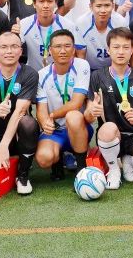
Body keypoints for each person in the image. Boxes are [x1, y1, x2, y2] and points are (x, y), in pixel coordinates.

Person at [85, 27, 133, 189]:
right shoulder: (97, 76)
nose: (121, 52)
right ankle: (113, 169)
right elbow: (88, 115)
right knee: (108, 128)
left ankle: (129, 161)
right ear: (108, 50)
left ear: (132, 50)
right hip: (111, 136)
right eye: (116, 47)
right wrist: (92, 111)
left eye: (126, 47)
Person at [0, 31, 40, 195]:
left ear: (21, 51)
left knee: (28, 122)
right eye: (4, 47)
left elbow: (20, 111)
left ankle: (23, 175)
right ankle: (7, 169)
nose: (9, 51)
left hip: (20, 134)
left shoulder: (30, 73)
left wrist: (4, 145)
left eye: (14, 46)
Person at [35, 30, 92, 180]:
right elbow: (41, 109)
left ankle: (81, 170)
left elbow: (77, 103)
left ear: (73, 49)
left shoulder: (82, 65)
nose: (63, 51)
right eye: (58, 46)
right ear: (50, 50)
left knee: (73, 116)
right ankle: (58, 161)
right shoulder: (41, 75)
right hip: (56, 131)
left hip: (78, 127)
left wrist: (52, 116)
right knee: (43, 159)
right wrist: (45, 122)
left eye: (67, 46)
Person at [15, 0, 70, 71]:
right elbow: (14, 50)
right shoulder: (23, 24)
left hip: (60, 74)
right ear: (34, 3)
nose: (45, 6)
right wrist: (15, 35)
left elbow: (78, 53)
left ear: (56, 3)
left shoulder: (67, 25)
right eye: (41, 1)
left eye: (50, 1)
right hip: (33, 74)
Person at [73, 0, 128, 70]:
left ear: (113, 6)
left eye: (107, 5)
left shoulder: (121, 23)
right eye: (98, 6)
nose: (103, 10)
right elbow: (81, 57)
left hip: (114, 69)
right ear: (91, 7)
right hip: (90, 69)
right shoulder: (81, 23)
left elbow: (124, 53)